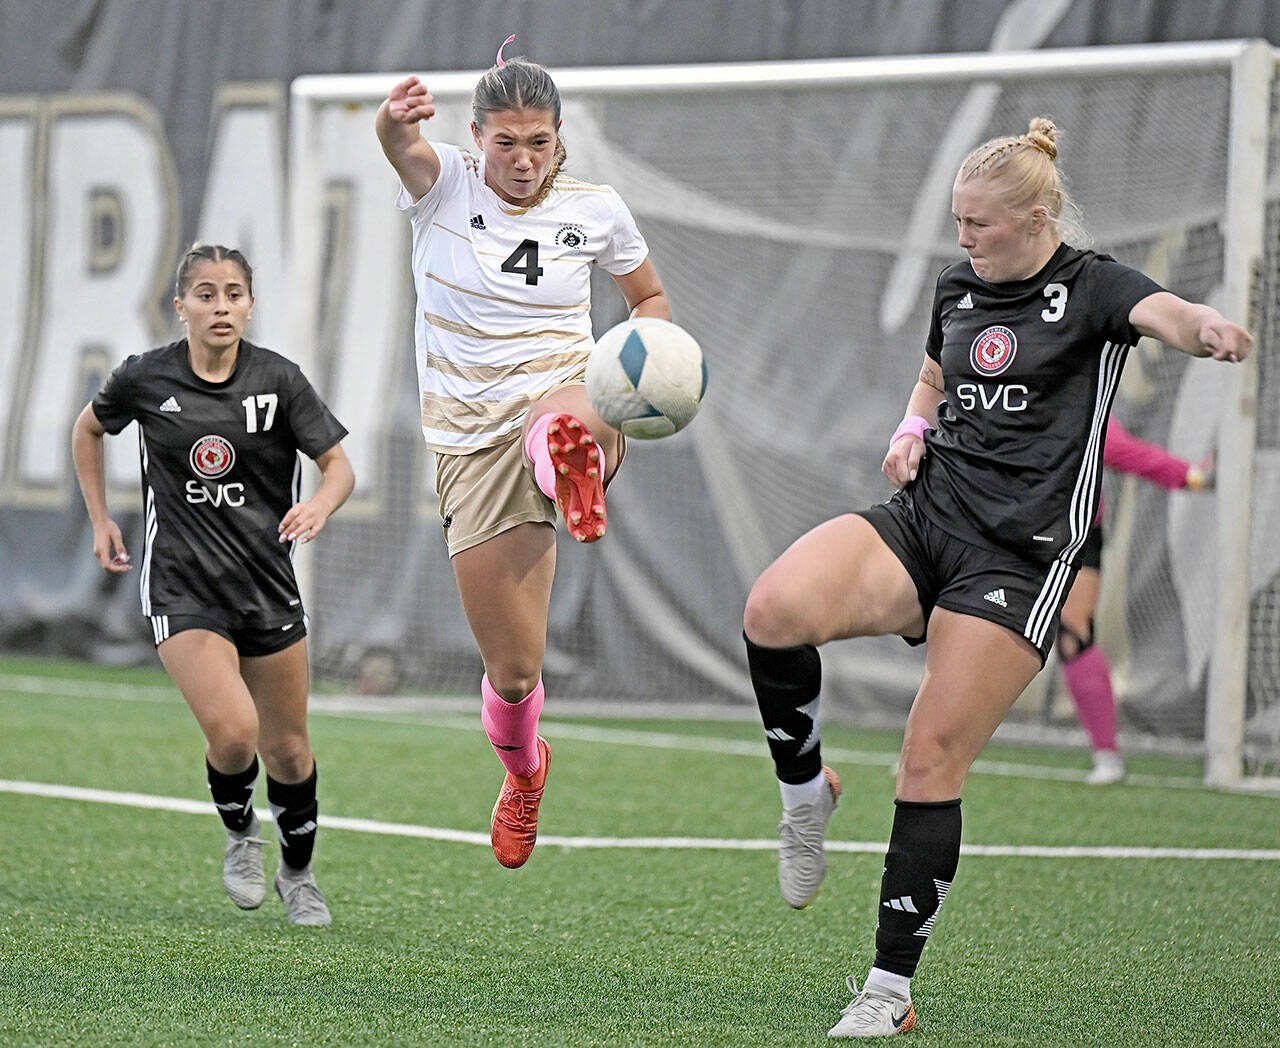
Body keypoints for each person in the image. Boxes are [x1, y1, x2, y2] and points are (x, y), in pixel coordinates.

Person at [740, 118, 1251, 1038]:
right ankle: (804, 792)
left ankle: (888, 991)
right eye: (957, 222)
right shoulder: (958, 284)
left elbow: (1161, 313)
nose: (963, 240)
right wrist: (908, 429)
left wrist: (1204, 328)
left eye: (978, 224)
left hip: (1019, 556)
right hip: (926, 518)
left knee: (930, 757)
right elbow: (934, 375)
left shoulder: (1094, 287)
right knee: (773, 608)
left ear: (1039, 216)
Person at [374, 39, 671, 870]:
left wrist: (654, 355)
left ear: (560, 139)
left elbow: (647, 297)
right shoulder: (442, 191)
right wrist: (392, 123)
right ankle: (525, 771)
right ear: (476, 139)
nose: (523, 159)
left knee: (572, 411)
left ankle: (572, 461)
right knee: (513, 672)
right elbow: (402, 150)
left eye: (539, 142)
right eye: (505, 142)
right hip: (471, 443)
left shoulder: (597, 209)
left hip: (562, 392)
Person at [71, 243, 354, 926]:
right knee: (233, 732)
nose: (220, 305)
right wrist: (102, 519)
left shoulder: (279, 380)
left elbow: (338, 466)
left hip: (265, 582)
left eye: (233, 293)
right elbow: (87, 430)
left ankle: (299, 873)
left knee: (288, 749)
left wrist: (318, 504)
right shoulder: (145, 377)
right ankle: (239, 836)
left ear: (250, 305)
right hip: (182, 585)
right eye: (205, 293)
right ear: (182, 307)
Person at [1062, 418, 1213, 785]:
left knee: (1073, 635)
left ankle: (1107, 754)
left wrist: (1191, 476)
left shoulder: (1082, 391)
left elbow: (1123, 451)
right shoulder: (1001, 383)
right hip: (1001, 524)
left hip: (1071, 531)